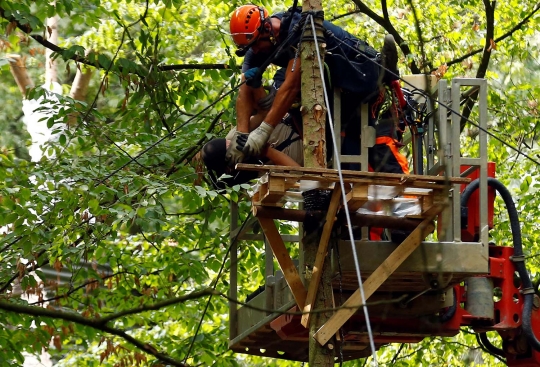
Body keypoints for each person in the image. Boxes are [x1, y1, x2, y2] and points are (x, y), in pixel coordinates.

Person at [225, 4, 401, 168]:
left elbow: (292, 85)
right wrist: (242, 134)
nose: (254, 51)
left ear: (267, 28)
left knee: (362, 88)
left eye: (255, 45)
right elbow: (244, 89)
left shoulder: (299, 28)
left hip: (356, 67)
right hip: (330, 82)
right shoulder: (257, 47)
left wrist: (263, 132)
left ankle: (384, 67)